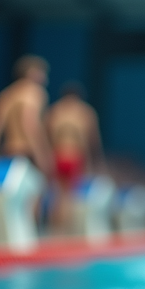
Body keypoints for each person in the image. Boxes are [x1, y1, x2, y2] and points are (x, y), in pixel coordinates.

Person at [44, 81, 103, 232]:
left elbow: (46, 137)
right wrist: (96, 162)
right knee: (70, 196)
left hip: (57, 155)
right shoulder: (85, 112)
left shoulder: (54, 111)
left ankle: (54, 228)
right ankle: (65, 230)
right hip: (75, 156)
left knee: (57, 195)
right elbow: (93, 141)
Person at [0, 55, 52, 175]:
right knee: (33, 192)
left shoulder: (6, 95)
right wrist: (42, 155)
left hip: (9, 151)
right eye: (42, 72)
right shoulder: (34, 91)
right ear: (32, 72)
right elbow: (29, 123)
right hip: (28, 152)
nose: (46, 78)